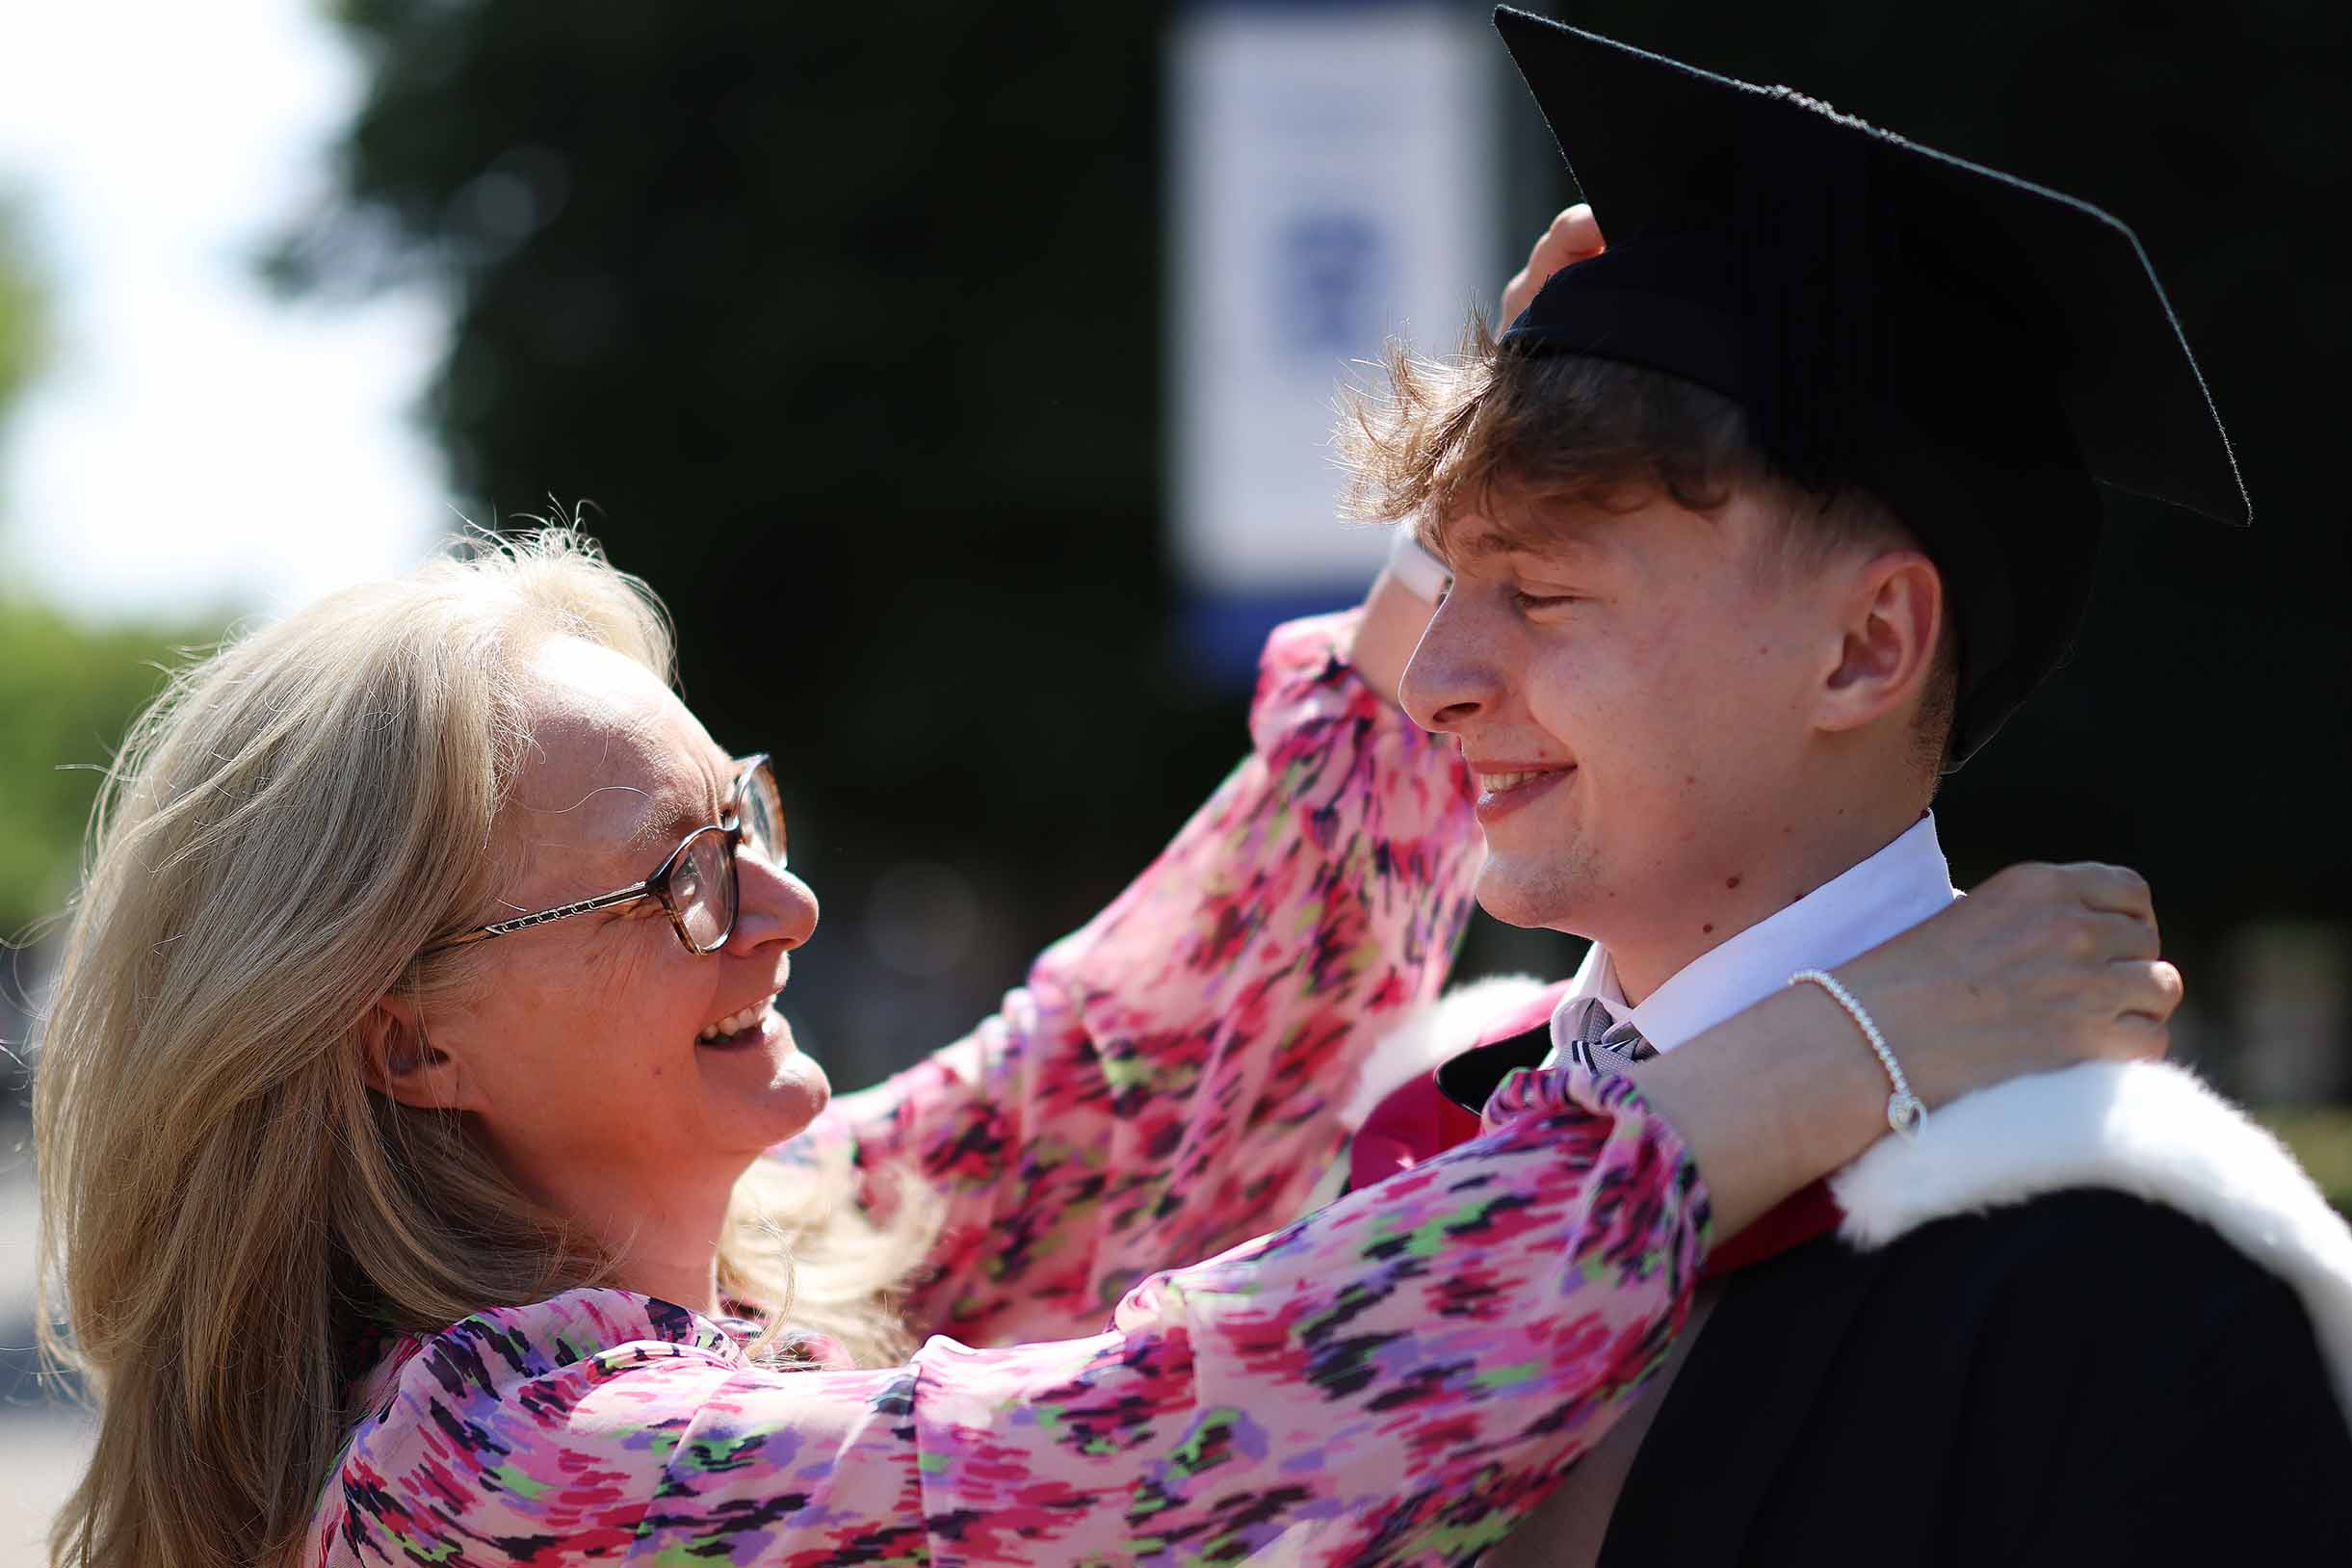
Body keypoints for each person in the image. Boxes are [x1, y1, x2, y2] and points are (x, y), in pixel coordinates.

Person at [32, 529, 2170, 1568]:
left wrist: (1447, 569)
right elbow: (1161, 1457)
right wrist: (1822, 1055)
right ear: (408, 1046)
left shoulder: (757, 1274)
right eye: (671, 882)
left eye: (745, 820)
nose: (774, 908)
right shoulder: (485, 1474)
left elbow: (1129, 1075)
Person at [1336, 11, 2352, 1564]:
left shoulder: (2126, 1272)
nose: (1432, 676)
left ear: (1865, 647)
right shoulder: (1428, 1142)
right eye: (1446, 581)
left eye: (1537, 594)